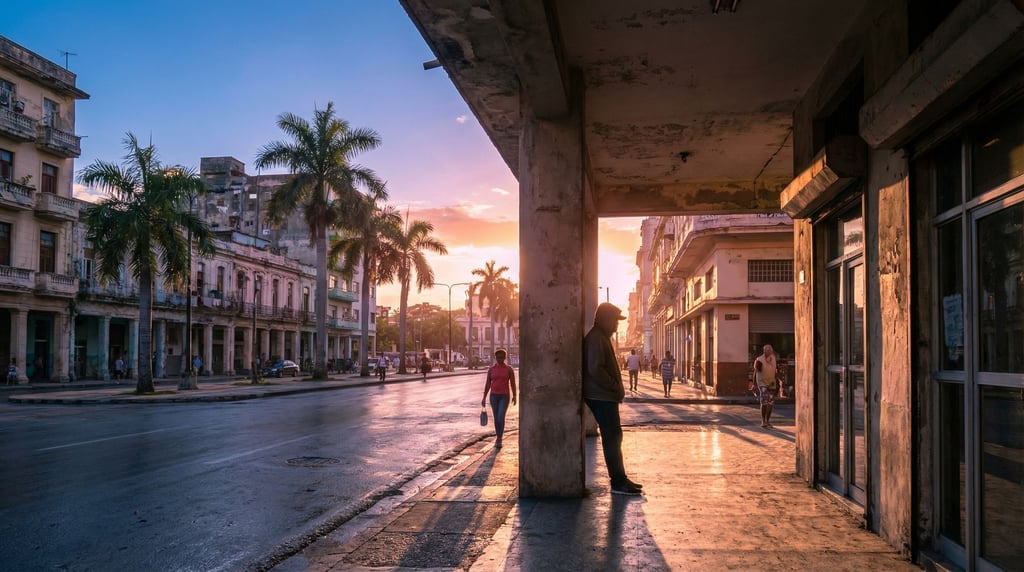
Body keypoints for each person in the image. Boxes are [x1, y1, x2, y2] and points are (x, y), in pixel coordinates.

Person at [583, 302, 643, 496]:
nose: (617, 326)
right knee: (612, 436)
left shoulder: (601, 337)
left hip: (604, 395)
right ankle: (618, 481)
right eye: (615, 322)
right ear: (605, 319)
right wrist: (613, 385)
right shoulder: (596, 339)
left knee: (614, 436)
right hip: (601, 396)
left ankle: (620, 478)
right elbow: (595, 369)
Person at [481, 348, 517, 449]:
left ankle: (500, 438)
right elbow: (488, 384)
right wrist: (484, 397)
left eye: (502, 357)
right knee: (496, 418)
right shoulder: (491, 369)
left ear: (505, 358)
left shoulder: (509, 369)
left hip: (504, 396)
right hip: (493, 396)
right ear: (495, 357)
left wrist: (515, 395)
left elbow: (513, 383)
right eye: (498, 357)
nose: (500, 359)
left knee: (501, 417)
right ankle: (498, 437)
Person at [753, 344, 779, 428]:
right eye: (766, 350)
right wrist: (754, 384)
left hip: (771, 382)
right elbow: (756, 372)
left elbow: (775, 370)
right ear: (764, 351)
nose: (768, 351)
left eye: (769, 350)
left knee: (770, 402)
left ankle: (768, 421)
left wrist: (779, 381)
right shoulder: (759, 360)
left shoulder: (773, 359)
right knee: (764, 401)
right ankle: (763, 421)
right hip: (762, 382)